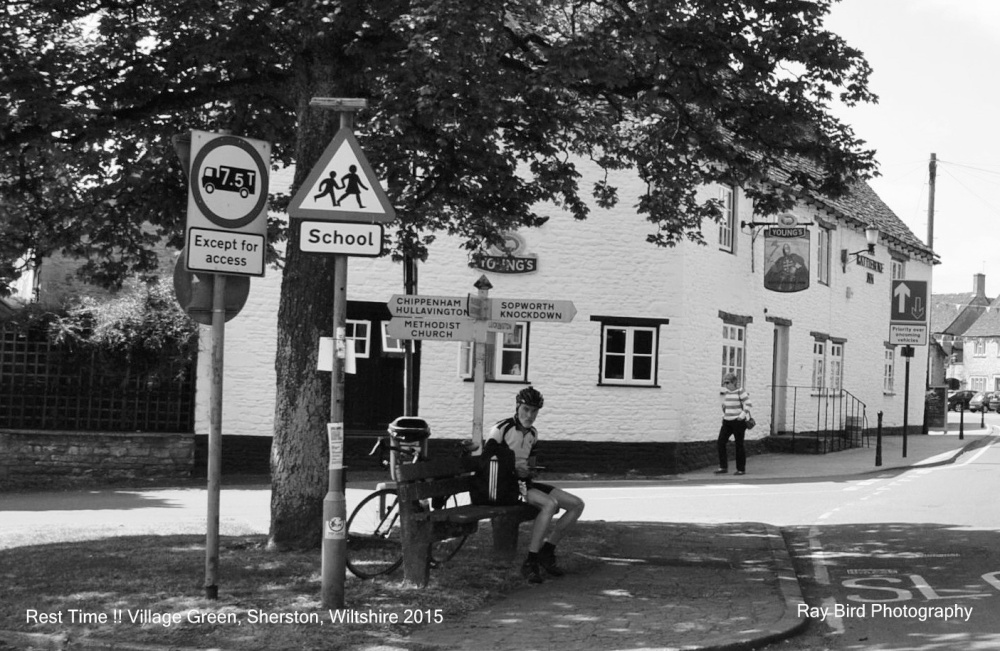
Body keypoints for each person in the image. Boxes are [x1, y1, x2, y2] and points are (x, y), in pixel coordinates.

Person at [484, 386, 585, 584]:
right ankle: (531, 561)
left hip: (525, 482)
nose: (529, 415)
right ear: (517, 407)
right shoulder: (501, 429)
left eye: (534, 411)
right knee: (550, 504)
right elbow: (487, 461)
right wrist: (513, 470)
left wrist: (531, 470)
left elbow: (530, 462)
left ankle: (547, 551)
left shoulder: (533, 433)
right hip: (505, 485)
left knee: (576, 504)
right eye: (526, 409)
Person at [716, 372, 752, 475]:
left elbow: (748, 404)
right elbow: (727, 405)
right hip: (727, 421)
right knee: (720, 442)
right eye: (724, 383)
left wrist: (742, 416)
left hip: (738, 422)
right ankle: (723, 467)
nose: (726, 385)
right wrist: (724, 412)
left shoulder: (740, 391)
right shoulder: (727, 393)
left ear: (734, 382)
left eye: (727, 383)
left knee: (739, 444)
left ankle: (741, 469)